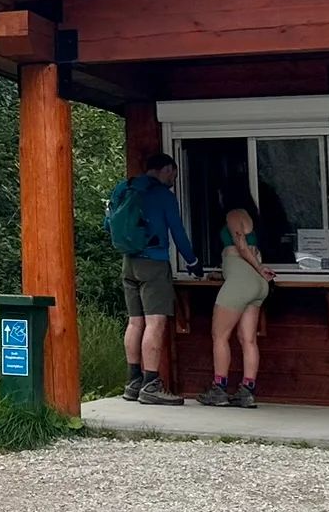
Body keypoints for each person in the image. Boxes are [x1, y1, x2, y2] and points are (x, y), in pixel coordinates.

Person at [109, 152, 202, 406]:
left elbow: (109, 225)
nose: (173, 178)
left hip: (129, 262)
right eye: (173, 172)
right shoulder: (163, 195)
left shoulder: (122, 188)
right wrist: (193, 263)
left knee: (135, 322)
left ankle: (133, 382)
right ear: (166, 169)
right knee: (155, 322)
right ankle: (151, 384)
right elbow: (178, 232)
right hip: (154, 262)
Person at [198, 204, 273, 407]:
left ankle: (219, 388)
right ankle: (246, 391)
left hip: (242, 281)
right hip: (256, 284)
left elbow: (240, 245)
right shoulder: (251, 217)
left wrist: (260, 268)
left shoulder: (234, 214)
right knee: (248, 340)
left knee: (220, 336)